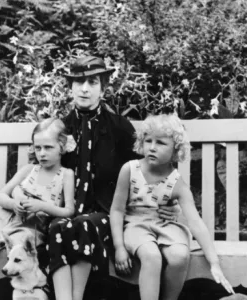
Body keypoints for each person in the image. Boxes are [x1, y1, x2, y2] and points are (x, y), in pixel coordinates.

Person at [47, 56, 182, 300]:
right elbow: (43, 171)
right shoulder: (61, 128)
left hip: (108, 215)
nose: (85, 88)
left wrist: (169, 203)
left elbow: (146, 171)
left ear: (103, 87)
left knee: (84, 224)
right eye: (78, 82)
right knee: (58, 226)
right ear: (70, 87)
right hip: (66, 210)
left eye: (93, 82)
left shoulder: (119, 127)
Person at [110, 114, 235, 300]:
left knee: (179, 256)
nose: (152, 147)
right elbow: (117, 210)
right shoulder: (130, 170)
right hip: (136, 224)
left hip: (166, 225)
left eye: (160, 143)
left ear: (176, 150)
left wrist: (214, 262)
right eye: (148, 141)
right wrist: (119, 246)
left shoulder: (177, 184)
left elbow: (195, 223)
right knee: (151, 255)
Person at [0, 118, 75, 300]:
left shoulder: (66, 175)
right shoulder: (28, 170)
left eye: (48, 147)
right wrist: (13, 203)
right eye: (38, 147)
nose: (42, 153)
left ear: (62, 147)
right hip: (4, 218)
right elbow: (1, 195)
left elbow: (69, 211)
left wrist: (42, 206)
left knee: (18, 252)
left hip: (30, 227)